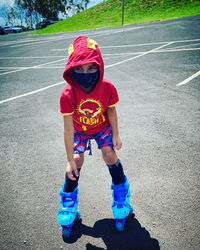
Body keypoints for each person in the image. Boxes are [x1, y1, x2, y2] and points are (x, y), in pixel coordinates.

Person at [57, 36, 133, 231]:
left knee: (109, 154)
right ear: (71, 69)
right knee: (75, 161)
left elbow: (111, 111)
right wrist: (70, 159)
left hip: (101, 127)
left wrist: (116, 135)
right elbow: (68, 128)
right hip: (79, 130)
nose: (86, 73)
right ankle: (68, 202)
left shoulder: (107, 87)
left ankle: (121, 196)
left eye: (91, 67)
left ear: (99, 66)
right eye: (79, 68)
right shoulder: (67, 94)